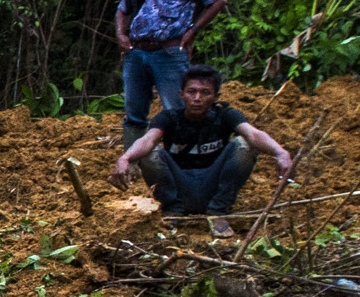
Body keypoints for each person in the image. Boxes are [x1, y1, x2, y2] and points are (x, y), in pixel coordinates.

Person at [112, 65, 294, 236]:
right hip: (178, 184)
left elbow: (253, 134)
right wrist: (126, 157)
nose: (197, 98)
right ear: (181, 94)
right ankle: (172, 210)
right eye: (192, 92)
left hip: (213, 185)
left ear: (216, 96)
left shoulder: (226, 115)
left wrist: (281, 153)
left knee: (244, 144)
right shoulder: (168, 117)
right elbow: (148, 139)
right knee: (150, 153)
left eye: (205, 92)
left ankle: (217, 211)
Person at [113, 0, 228, 145]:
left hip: (170, 52)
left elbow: (217, 0)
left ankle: (184, 159)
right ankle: (132, 163)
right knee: (134, 112)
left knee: (178, 109)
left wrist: (194, 30)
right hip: (136, 52)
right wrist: (121, 34)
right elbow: (123, 8)